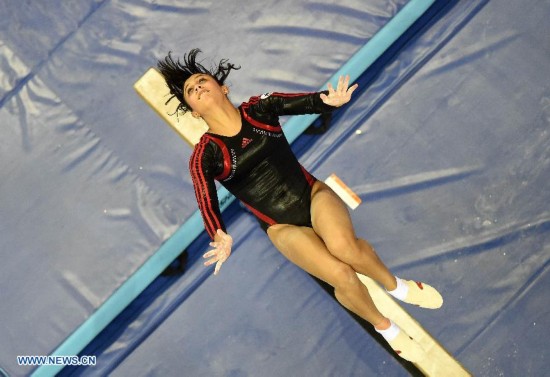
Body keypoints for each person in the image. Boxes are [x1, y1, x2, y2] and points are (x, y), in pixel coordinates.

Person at [157, 49, 443, 363]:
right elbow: (205, 198)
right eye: (190, 91)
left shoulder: (258, 110)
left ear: (222, 88)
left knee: (344, 247)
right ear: (194, 112)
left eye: (201, 80)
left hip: (313, 195)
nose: (197, 88)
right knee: (342, 275)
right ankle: (387, 329)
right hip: (282, 227)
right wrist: (219, 234)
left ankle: (397, 286)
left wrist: (326, 101)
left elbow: (293, 101)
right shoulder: (205, 155)